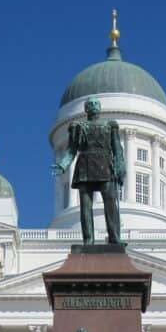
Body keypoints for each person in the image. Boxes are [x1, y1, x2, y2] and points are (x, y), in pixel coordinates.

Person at [51, 97, 125, 247]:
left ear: (99, 108)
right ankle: (88, 240)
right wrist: (63, 165)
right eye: (90, 104)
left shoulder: (110, 126)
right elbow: (71, 150)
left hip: (105, 164)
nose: (93, 105)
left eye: (95, 103)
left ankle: (114, 236)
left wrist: (120, 166)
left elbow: (117, 149)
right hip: (85, 165)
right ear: (86, 109)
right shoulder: (78, 127)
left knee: (110, 202)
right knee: (86, 205)